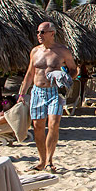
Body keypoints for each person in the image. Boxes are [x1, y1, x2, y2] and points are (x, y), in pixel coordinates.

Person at [19, 21, 79, 172]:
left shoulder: (62, 51)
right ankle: (42, 160)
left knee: (54, 124)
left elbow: (74, 69)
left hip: (54, 92)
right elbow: (29, 74)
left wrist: (66, 78)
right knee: (38, 127)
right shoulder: (35, 51)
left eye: (42, 32)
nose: (39, 35)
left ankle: (50, 161)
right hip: (37, 91)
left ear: (52, 33)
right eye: (38, 32)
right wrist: (22, 93)